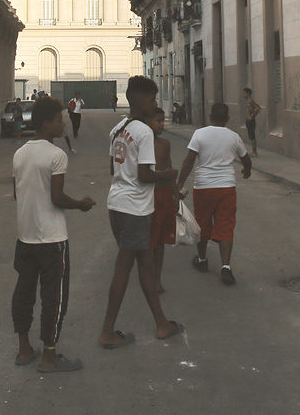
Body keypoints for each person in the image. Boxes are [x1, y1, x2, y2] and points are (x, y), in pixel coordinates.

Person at [98, 75, 184, 348]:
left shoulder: (118, 129)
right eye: (152, 99)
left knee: (146, 264)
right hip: (135, 208)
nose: (155, 103)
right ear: (138, 100)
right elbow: (145, 175)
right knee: (123, 267)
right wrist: (168, 174)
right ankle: (107, 331)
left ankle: (162, 323)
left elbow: (114, 169)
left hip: (117, 203)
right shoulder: (144, 132)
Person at [11, 96, 96, 373]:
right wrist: (81, 204)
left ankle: (24, 348)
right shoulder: (56, 155)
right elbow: (57, 197)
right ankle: (50, 354)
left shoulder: (20, 153)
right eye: (59, 120)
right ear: (47, 123)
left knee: (24, 291)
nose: (63, 124)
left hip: (25, 237)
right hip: (51, 239)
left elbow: (17, 193)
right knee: (54, 296)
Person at [176, 102, 252, 286]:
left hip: (204, 188)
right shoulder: (234, 137)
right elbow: (246, 159)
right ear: (227, 119)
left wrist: (179, 185)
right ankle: (225, 267)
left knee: (203, 224)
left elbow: (189, 161)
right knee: (225, 224)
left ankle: (202, 260)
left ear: (210, 117)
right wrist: (246, 171)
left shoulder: (200, 134)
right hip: (226, 188)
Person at [147, 106, 176, 294]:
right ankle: (148, 277)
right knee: (148, 240)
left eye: (162, 121)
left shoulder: (165, 144)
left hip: (164, 195)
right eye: (157, 121)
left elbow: (169, 169)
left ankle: (157, 278)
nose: (161, 125)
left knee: (161, 240)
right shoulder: (141, 144)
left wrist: (177, 194)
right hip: (147, 196)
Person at [242, 88, 261, 156]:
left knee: (252, 136)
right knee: (251, 135)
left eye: (244, 93)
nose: (243, 95)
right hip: (249, 120)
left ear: (248, 93)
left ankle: (254, 152)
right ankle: (253, 151)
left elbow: (258, 108)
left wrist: (252, 116)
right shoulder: (248, 101)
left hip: (251, 120)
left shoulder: (250, 101)